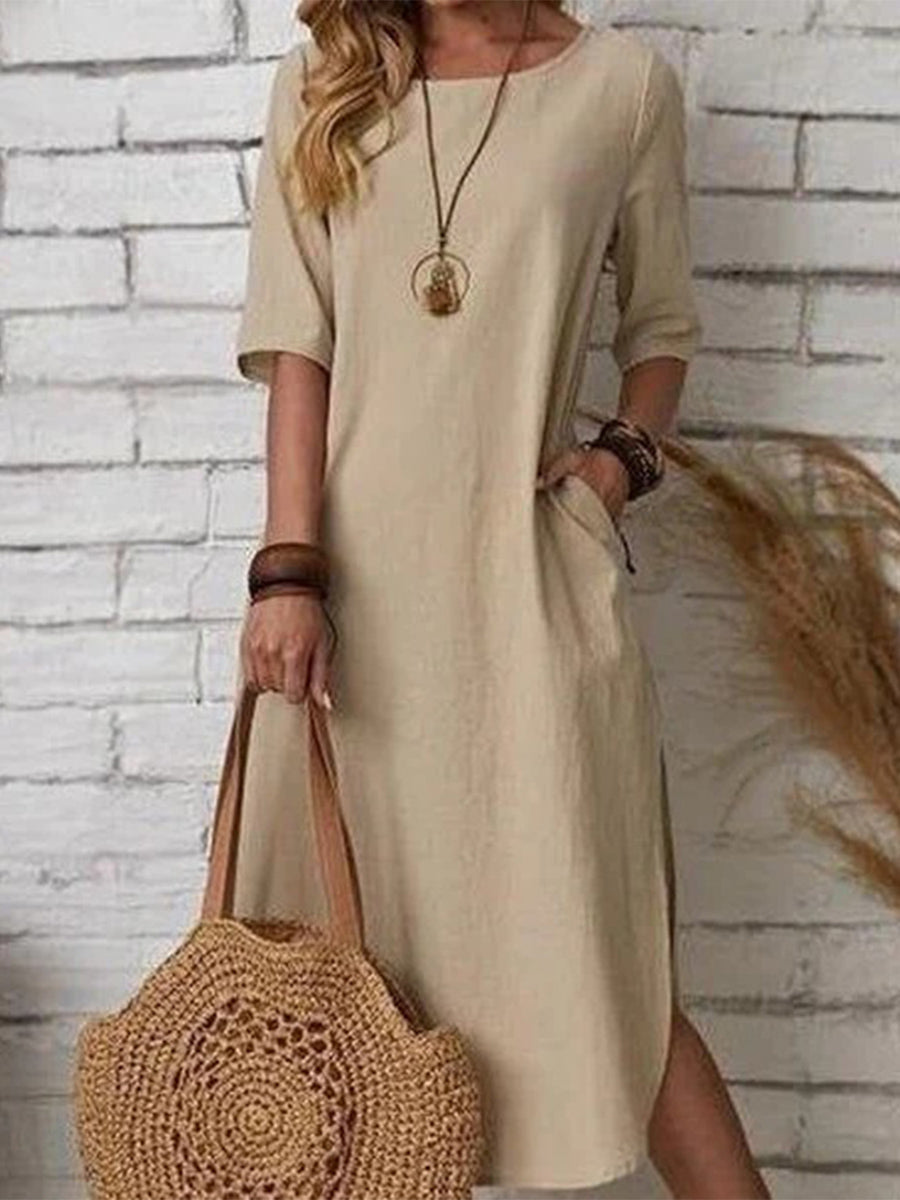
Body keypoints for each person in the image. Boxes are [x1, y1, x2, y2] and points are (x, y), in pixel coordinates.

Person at [231, 1, 770, 1196]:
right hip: (353, 614)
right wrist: (288, 570)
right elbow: (297, 345)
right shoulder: (325, 82)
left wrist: (615, 468)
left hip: (531, 596)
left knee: (609, 979)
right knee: (334, 990)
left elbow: (663, 327)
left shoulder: (622, 91)